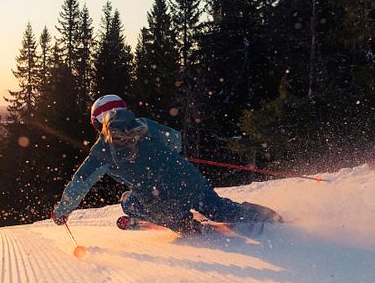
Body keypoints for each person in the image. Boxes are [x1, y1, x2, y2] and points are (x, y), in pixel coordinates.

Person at [51, 94, 282, 233]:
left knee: (128, 201)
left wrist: (62, 211)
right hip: (190, 181)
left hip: (160, 201)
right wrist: (163, 156)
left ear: (96, 123)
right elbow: (176, 140)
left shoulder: (99, 152)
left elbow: (79, 184)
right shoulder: (146, 125)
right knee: (219, 209)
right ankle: (264, 216)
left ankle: (184, 225)